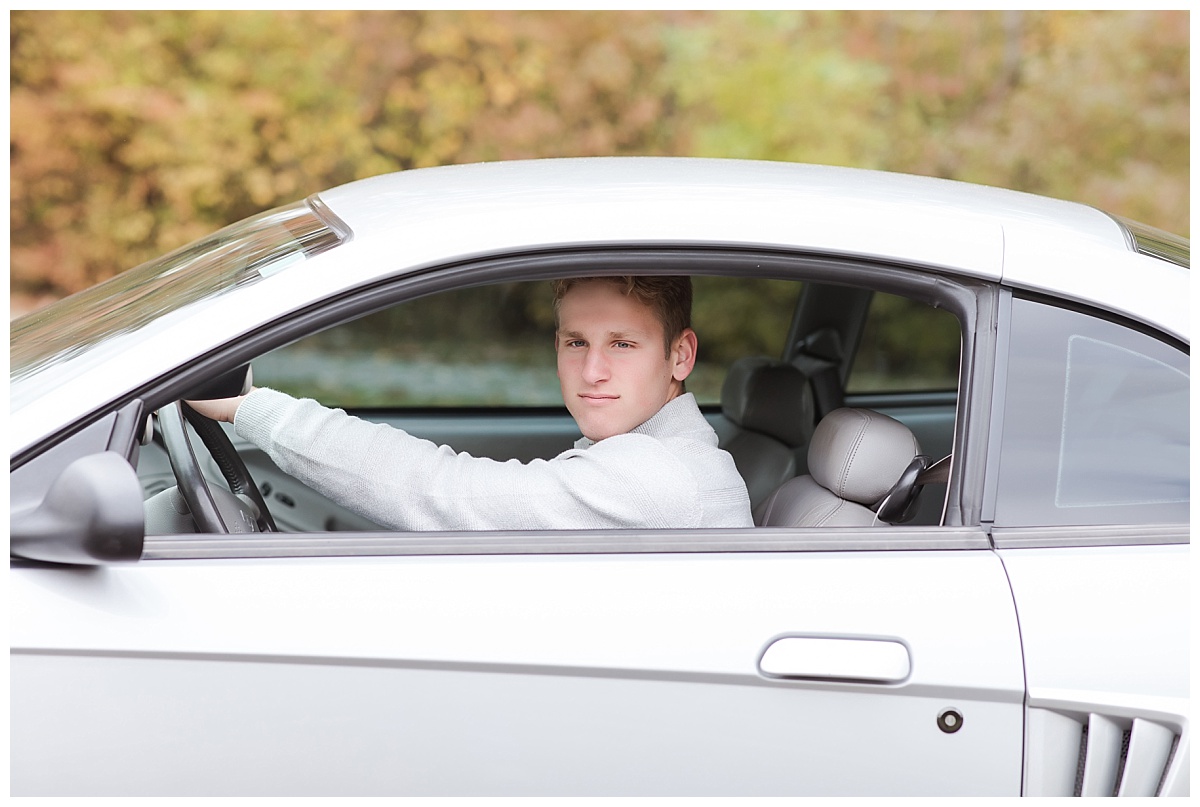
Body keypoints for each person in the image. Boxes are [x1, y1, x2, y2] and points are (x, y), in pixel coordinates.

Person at [189, 276, 753, 530]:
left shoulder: (659, 479)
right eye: (575, 342)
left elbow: (447, 494)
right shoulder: (658, 458)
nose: (593, 371)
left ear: (681, 356)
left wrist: (252, 407)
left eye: (623, 345)